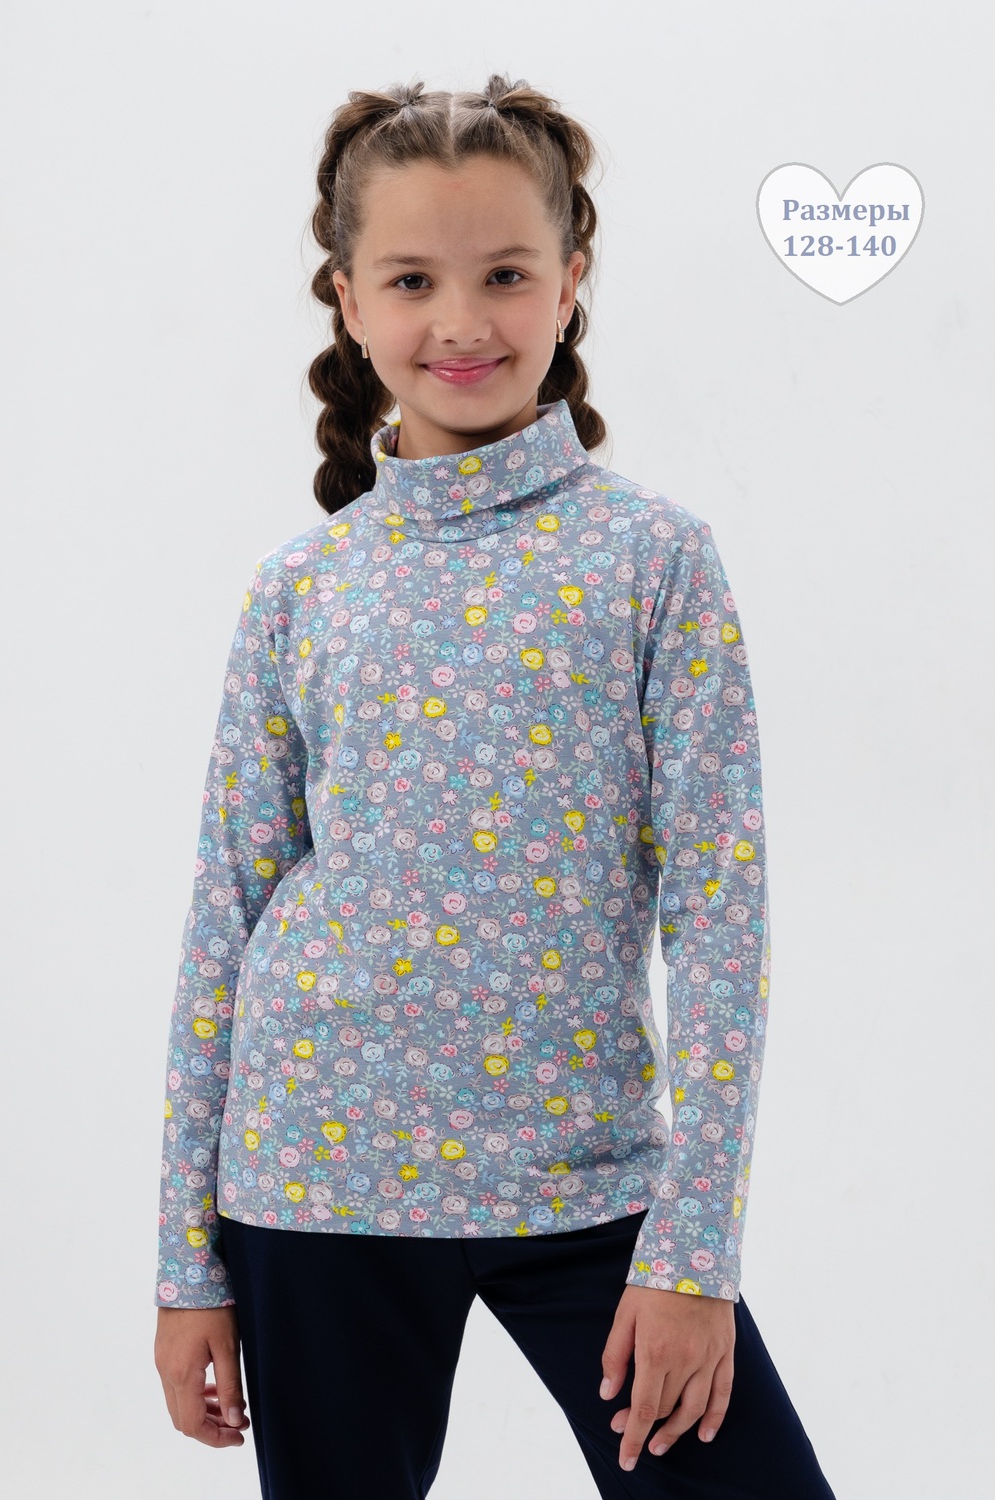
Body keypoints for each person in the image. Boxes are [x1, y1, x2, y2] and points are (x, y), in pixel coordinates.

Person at [153, 73, 837, 1499]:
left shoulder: (654, 559)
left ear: (571, 282)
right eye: (413, 279)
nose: (462, 322)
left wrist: (695, 1254)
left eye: (507, 275)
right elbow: (224, 919)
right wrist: (186, 1266)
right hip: (316, 1186)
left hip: (590, 1189)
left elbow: (721, 916)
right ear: (348, 299)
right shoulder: (300, 588)